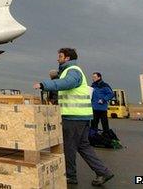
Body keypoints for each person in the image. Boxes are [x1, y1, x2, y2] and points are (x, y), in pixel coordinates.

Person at [33, 48, 113, 186]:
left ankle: (70, 176)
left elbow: (67, 83)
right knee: (83, 146)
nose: (58, 59)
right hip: (80, 117)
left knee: (69, 147)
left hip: (73, 117)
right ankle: (103, 172)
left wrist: (44, 85)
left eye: (60, 56)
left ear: (67, 58)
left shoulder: (73, 71)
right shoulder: (69, 70)